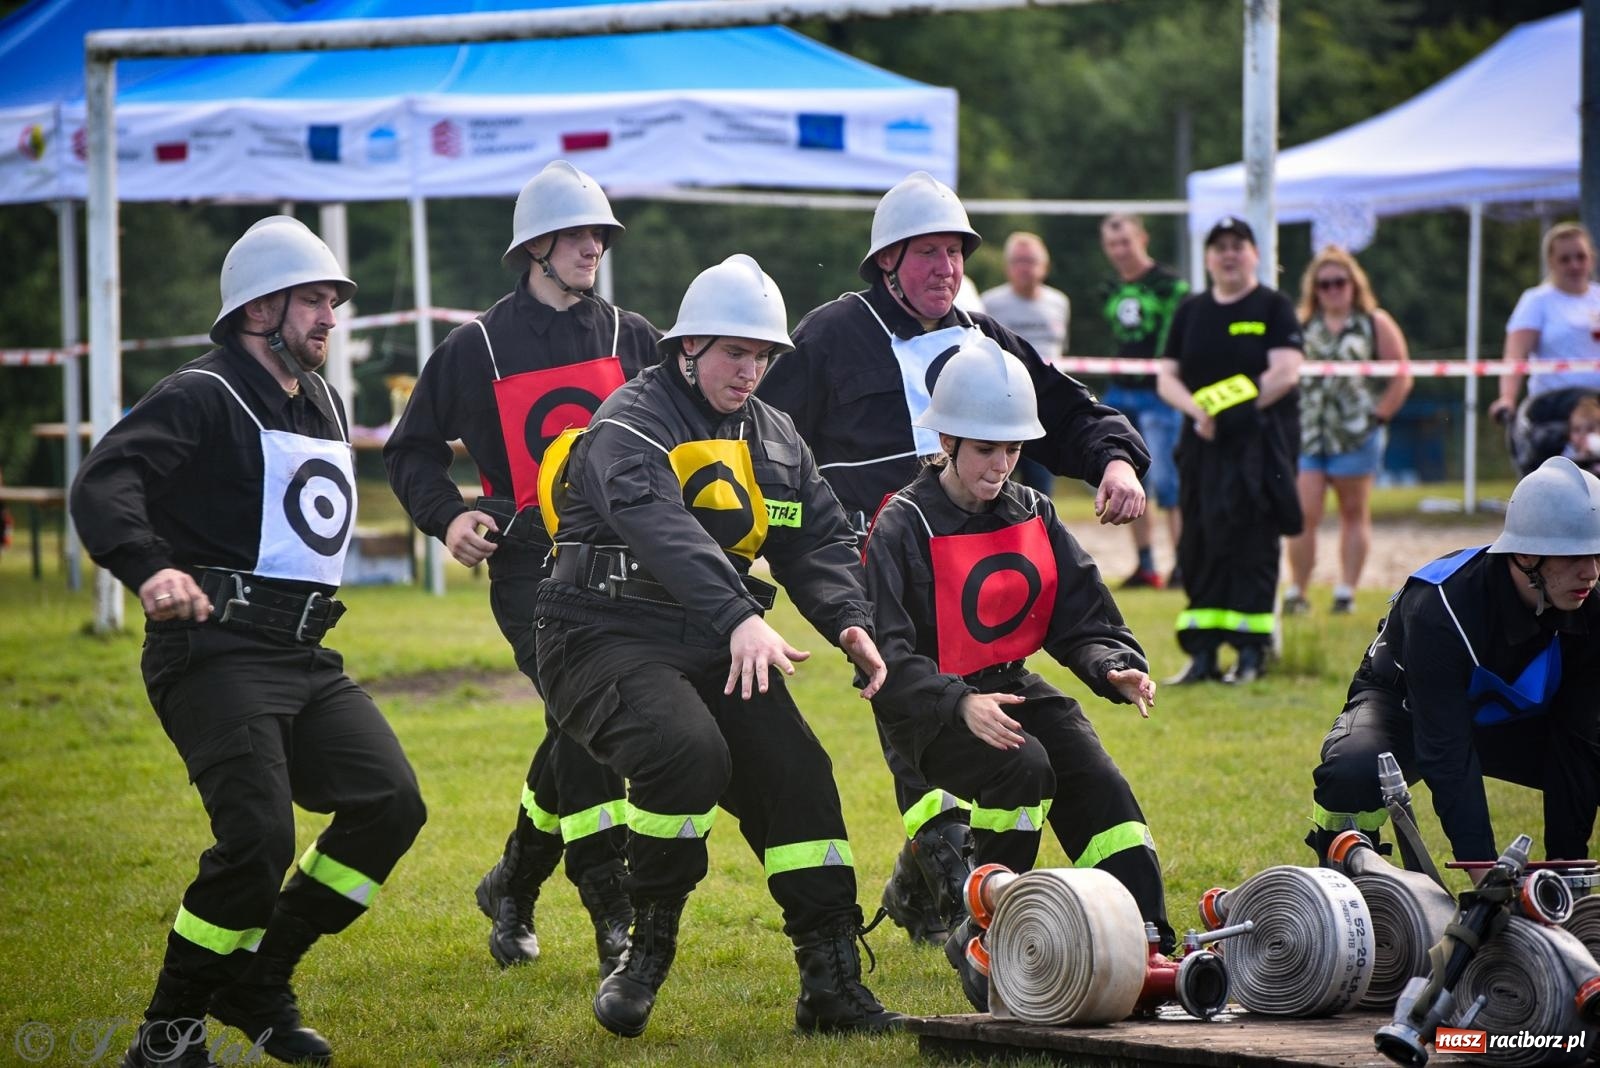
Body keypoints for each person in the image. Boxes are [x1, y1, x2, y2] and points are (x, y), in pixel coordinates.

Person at [757, 170, 1150, 948]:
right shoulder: (829, 337)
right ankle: (951, 884)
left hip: (974, 582)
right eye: (927, 253)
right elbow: (761, 441)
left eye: (955, 253)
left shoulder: (986, 338)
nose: (945, 268)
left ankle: (921, 887)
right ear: (887, 262)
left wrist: (1114, 460)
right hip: (877, 578)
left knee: (1018, 761)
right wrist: (779, 536)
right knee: (922, 730)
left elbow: (1069, 410)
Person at [71, 216, 427, 1068]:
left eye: (334, 302)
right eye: (314, 301)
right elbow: (105, 480)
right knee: (258, 842)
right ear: (260, 308)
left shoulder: (322, 398)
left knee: (389, 804)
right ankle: (168, 1033)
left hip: (305, 658)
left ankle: (258, 978)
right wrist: (150, 568)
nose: (330, 318)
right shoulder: (202, 392)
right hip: (213, 655)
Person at [533, 254, 902, 1039]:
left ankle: (832, 985)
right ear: (688, 346)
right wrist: (740, 616)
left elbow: (819, 540)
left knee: (800, 777)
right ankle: (647, 949)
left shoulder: (776, 437)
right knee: (686, 750)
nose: (751, 370)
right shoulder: (631, 421)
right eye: (736, 352)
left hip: (713, 635)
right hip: (598, 630)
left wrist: (848, 621)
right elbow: (656, 525)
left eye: (763, 355)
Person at [384, 161, 657, 978]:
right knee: (594, 717)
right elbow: (410, 451)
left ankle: (513, 884)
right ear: (534, 246)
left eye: (600, 236)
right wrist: (451, 515)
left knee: (580, 723)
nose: (592, 248)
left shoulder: (633, 337)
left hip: (629, 568)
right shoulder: (474, 347)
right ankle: (614, 915)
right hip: (529, 567)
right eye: (577, 235)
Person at [863, 336, 1171, 1010]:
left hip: (1007, 682)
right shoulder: (902, 524)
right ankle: (986, 936)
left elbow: (1077, 612)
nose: (1001, 465)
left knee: (1093, 772)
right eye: (984, 450)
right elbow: (887, 655)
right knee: (1023, 766)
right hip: (926, 706)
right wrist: (958, 703)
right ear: (946, 438)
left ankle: (1148, 941)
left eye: (1012, 449)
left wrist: (1115, 666)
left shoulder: (1033, 511)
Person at [1307, 456, 1600, 867]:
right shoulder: (1440, 607)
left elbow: (1579, 741)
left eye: (1597, 555)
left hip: (1503, 718)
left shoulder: (1590, 604)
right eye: (1573, 556)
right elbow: (1447, 752)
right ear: (1526, 555)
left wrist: (1565, 876)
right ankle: (1349, 887)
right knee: (1353, 769)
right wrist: (1485, 877)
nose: (1590, 572)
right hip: (1405, 709)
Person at [1156, 216, 1304, 685]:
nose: (1228, 254)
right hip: (1201, 447)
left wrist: (1229, 411)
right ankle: (1202, 655)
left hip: (1258, 449)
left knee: (1252, 545)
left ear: (1254, 253)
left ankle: (1250, 654)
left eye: (1238, 245)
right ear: (1207, 257)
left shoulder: (1273, 306)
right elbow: (1167, 376)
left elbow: (1285, 373)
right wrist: (1199, 413)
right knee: (1199, 542)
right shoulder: (1191, 310)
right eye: (1219, 246)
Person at [1283, 246, 1412, 616]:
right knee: (1303, 513)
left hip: (1356, 435)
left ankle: (1346, 592)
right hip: (1309, 434)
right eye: (1324, 284)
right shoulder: (1302, 324)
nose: (1333, 289)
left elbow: (1400, 372)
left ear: (1354, 284)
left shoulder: (1374, 322)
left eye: (1340, 282)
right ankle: (1298, 591)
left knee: (1353, 512)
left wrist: (1381, 414)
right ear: (1315, 289)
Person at [1098, 213, 1189, 589]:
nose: (1120, 251)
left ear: (1143, 238)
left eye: (1126, 242)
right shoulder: (1107, 289)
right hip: (1120, 391)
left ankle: (1183, 565)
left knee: (1169, 483)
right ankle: (1146, 565)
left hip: (1160, 394)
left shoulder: (1171, 287)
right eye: (1112, 244)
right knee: (1125, 480)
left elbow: (1174, 339)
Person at [1488, 222, 1600, 476]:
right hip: (1554, 410)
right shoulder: (1537, 301)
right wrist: (1507, 398)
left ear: (1591, 259)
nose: (1574, 265)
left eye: (1580, 257)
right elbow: (1515, 356)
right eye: (1565, 259)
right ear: (1551, 262)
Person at [981, 231, 1070, 497]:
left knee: (1040, 488)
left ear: (1045, 265)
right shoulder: (990, 303)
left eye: (1031, 260)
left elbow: (1062, 349)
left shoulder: (1059, 302)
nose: (1025, 267)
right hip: (1002, 407)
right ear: (1007, 267)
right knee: (997, 482)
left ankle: (1037, 537)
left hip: (1045, 407)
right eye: (1018, 261)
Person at [1566, 393, 1600, 475]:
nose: (1582, 435)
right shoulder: (1569, 451)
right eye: (1577, 430)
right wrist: (1582, 457)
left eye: (1590, 429)